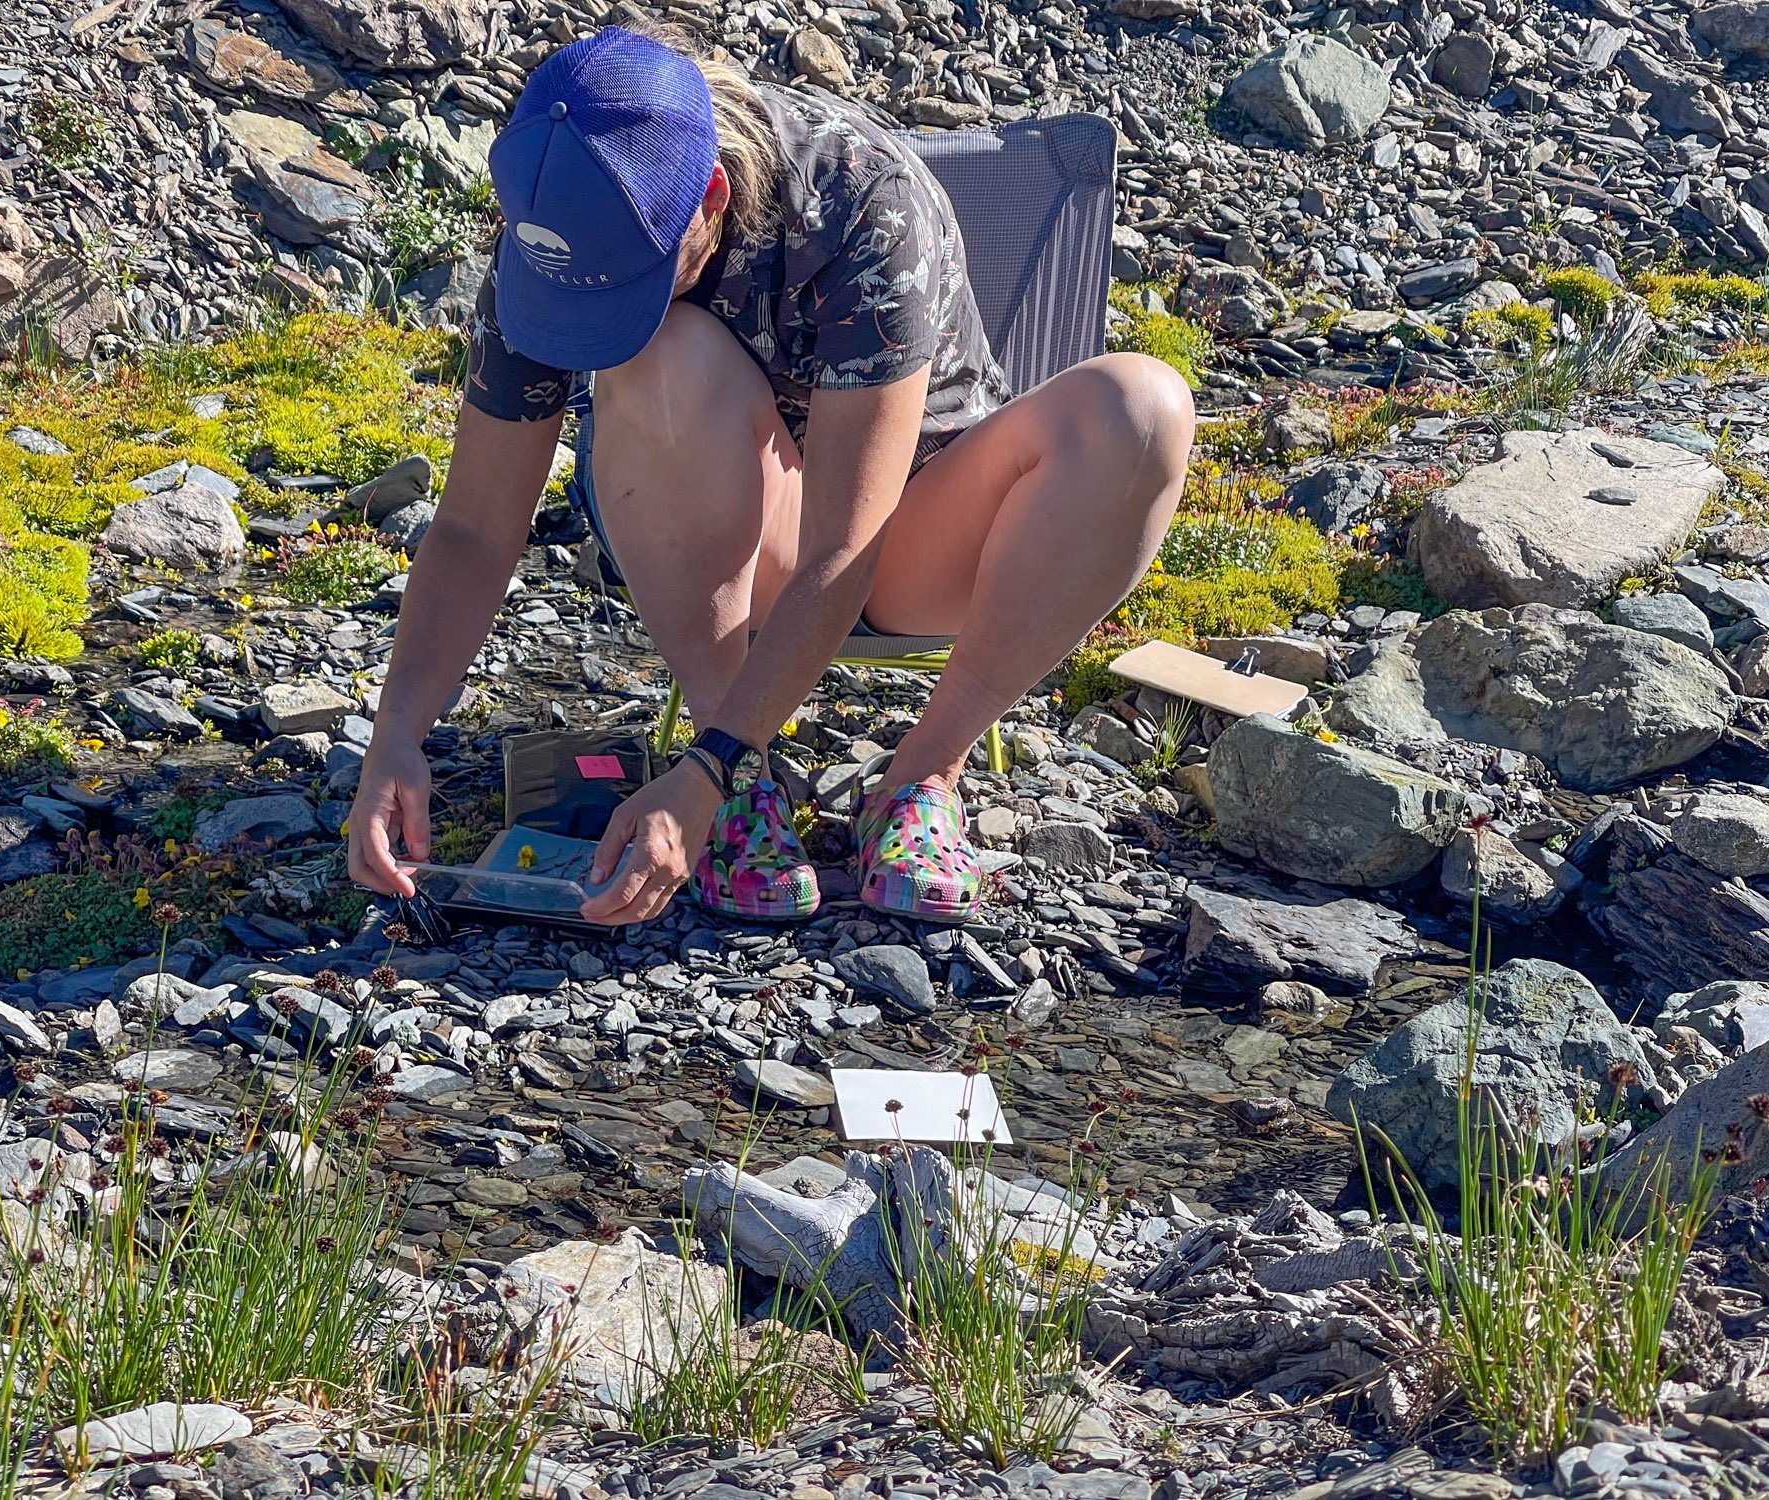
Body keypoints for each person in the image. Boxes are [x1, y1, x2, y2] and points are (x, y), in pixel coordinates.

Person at [347, 22, 1193, 928]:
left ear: (710, 195)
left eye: (630, 281)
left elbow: (847, 543)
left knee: (1142, 408)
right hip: (714, 538)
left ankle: (920, 777)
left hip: (906, 531)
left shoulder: (858, 199)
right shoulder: (556, 243)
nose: (598, 314)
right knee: (661, 351)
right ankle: (744, 776)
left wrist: (700, 767)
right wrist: (397, 728)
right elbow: (476, 525)